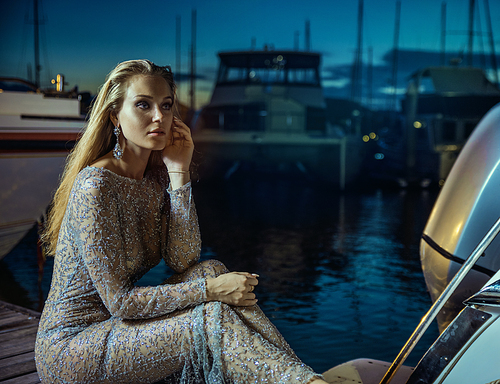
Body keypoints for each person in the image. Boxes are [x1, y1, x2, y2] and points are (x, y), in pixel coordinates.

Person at [35, 59, 328, 384]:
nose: (159, 116)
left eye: (167, 105)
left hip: (123, 331)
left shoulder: (153, 178)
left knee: (211, 268)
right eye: (143, 105)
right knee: (210, 311)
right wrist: (210, 291)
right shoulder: (96, 186)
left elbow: (183, 259)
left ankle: (301, 377)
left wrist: (179, 172)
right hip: (74, 351)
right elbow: (121, 302)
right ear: (115, 115)